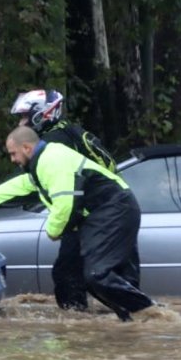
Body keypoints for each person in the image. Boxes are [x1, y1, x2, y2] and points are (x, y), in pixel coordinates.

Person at [0, 126, 156, 321]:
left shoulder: (53, 160)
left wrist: (53, 230)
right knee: (68, 273)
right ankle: (99, 322)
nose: (13, 160)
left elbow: (65, 204)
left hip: (114, 210)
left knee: (97, 275)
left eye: (13, 154)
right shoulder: (41, 163)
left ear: (26, 148)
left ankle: (151, 313)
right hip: (96, 215)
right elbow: (22, 185)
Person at [8, 89, 119, 311]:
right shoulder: (70, 131)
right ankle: (119, 321)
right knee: (92, 276)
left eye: (24, 117)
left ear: (41, 114)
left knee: (67, 274)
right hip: (100, 213)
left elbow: (32, 182)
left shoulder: (53, 142)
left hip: (84, 218)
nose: (20, 123)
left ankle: (75, 328)